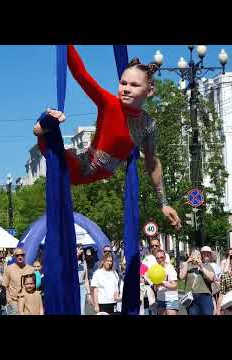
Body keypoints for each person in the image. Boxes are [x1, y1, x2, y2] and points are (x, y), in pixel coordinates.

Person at [33, 45, 181, 230]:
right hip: (80, 168)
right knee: (52, 139)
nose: (126, 89)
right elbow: (81, 74)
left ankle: (45, 128)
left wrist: (164, 203)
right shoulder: (109, 104)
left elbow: (152, 163)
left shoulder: (148, 124)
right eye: (123, 83)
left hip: (101, 177)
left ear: (149, 91)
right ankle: (43, 127)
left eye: (134, 85)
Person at [179, 249, 215, 315]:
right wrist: (187, 262)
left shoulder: (207, 265)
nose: (196, 256)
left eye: (198, 254)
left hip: (204, 295)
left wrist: (201, 266)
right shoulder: (187, 266)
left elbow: (211, 277)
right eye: (194, 254)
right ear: (190, 256)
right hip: (191, 296)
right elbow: (181, 277)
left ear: (201, 256)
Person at [2, 248, 34, 315]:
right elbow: (5, 285)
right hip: (14, 302)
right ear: (14, 257)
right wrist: (9, 300)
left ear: (24, 255)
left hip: (28, 302)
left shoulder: (31, 269)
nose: (20, 257)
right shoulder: (9, 269)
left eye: (22, 255)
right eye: (17, 255)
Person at [154, 249, 179, 315]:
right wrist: (156, 285)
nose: (160, 260)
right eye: (157, 258)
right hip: (160, 299)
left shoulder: (170, 268)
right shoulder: (155, 270)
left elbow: (174, 285)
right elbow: (155, 289)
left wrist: (162, 283)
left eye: (161, 257)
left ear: (165, 257)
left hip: (171, 298)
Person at [77, 245, 92, 315]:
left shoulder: (84, 262)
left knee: (82, 311)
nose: (81, 250)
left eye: (82, 249)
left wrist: (89, 293)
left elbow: (86, 279)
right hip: (73, 288)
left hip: (82, 288)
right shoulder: (69, 262)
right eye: (79, 248)